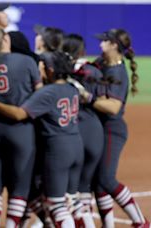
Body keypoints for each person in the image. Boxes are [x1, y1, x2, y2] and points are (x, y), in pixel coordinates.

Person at [0, 51, 84, 228]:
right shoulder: (72, 88)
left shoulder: (47, 92)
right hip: (76, 146)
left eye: (43, 65)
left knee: (56, 205)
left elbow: (19, 114)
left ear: (51, 70)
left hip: (58, 150)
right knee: (72, 199)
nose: (40, 68)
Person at [0, 27, 42, 228]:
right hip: (21, 129)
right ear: (6, 40)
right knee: (20, 186)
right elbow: (40, 93)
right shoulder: (27, 61)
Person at [91, 29, 149, 228]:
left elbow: (114, 107)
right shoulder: (101, 63)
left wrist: (88, 98)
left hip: (112, 130)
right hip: (100, 128)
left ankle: (140, 221)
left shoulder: (117, 72)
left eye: (104, 42)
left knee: (106, 178)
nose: (100, 45)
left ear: (114, 45)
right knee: (97, 182)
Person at [62, 33, 103, 227]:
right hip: (95, 132)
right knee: (84, 187)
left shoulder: (63, 73)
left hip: (75, 133)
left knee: (67, 191)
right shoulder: (93, 70)